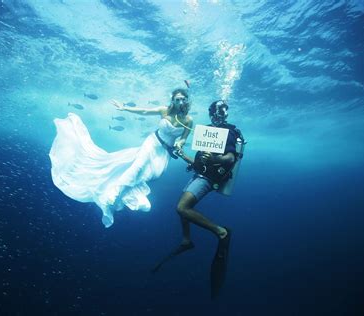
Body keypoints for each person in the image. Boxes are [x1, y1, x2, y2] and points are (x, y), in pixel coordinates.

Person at [49, 88, 193, 228]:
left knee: (151, 175)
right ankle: (114, 193)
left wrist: (179, 144)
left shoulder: (188, 120)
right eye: (177, 99)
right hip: (152, 143)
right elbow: (144, 111)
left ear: (186, 100)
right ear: (172, 100)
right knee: (138, 166)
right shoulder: (164, 110)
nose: (180, 101)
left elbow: (183, 139)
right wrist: (125, 108)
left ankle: (128, 194)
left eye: (183, 99)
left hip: (164, 152)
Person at [152, 100, 244, 299]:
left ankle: (221, 232)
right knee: (185, 205)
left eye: (222, 111)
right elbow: (199, 163)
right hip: (200, 175)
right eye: (215, 111)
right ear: (211, 113)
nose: (218, 115)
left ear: (226, 114)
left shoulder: (229, 132)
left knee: (182, 208)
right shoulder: (207, 132)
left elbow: (229, 159)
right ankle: (186, 240)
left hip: (210, 178)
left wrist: (213, 160)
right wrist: (183, 155)